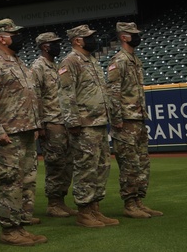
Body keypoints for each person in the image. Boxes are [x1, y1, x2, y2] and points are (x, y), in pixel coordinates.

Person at [0, 19, 46, 247]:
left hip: (25, 130)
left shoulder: (17, 62)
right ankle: (9, 230)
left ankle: (21, 225)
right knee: (9, 182)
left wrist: (35, 124)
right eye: (13, 33)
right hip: (7, 133)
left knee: (26, 180)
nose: (18, 37)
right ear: (1, 37)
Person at [58, 25, 119, 228]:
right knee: (86, 167)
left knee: (101, 166)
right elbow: (67, 94)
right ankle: (84, 212)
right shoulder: (70, 61)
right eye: (88, 37)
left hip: (99, 121)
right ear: (77, 40)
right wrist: (72, 121)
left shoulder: (91, 60)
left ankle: (95, 209)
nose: (93, 40)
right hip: (84, 124)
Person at [107, 22, 162, 219]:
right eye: (132, 34)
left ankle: (139, 200)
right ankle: (130, 204)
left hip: (138, 118)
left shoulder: (134, 60)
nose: (136, 37)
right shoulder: (119, 60)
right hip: (125, 120)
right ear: (123, 37)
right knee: (129, 164)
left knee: (142, 163)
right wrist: (116, 118)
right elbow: (113, 92)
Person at [29, 32, 76, 219]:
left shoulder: (56, 67)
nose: (57, 45)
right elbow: (35, 97)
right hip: (51, 122)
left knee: (67, 163)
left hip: (63, 120)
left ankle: (61, 200)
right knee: (55, 163)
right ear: (44, 46)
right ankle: (53, 203)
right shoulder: (38, 67)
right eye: (53, 43)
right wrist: (39, 124)